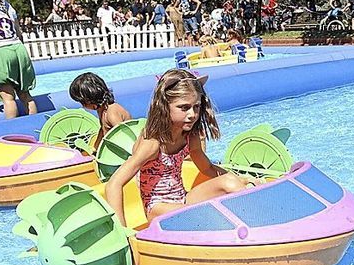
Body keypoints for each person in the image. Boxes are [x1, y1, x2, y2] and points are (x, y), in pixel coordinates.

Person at [104, 69, 248, 225]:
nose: (193, 114)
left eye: (196, 107)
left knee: (230, 183)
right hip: (158, 209)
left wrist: (240, 180)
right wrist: (123, 232)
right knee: (205, 214)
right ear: (164, 107)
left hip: (183, 199)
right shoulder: (153, 143)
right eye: (184, 108)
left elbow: (207, 169)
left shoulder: (190, 136)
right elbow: (114, 184)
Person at [68, 72, 131, 150]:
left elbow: (126, 137)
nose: (83, 106)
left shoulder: (112, 113)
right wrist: (94, 148)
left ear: (91, 99)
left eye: (83, 102)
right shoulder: (101, 109)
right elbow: (103, 129)